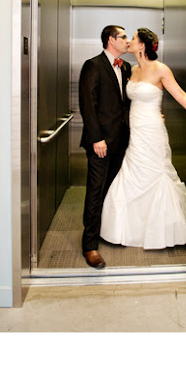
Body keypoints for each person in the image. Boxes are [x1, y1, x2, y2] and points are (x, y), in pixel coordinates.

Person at [100, 27, 186, 250]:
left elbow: (181, 97)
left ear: (142, 45)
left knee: (155, 174)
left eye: (132, 38)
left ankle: (162, 232)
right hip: (135, 134)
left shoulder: (161, 69)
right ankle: (130, 231)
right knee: (131, 175)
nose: (128, 41)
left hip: (152, 132)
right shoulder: (131, 70)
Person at [78, 25, 132, 269]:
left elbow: (126, 104)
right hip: (100, 142)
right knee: (96, 192)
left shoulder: (126, 67)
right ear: (111, 40)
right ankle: (90, 245)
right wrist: (96, 138)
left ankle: (107, 230)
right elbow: (87, 104)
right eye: (123, 37)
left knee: (112, 190)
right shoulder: (93, 65)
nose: (127, 41)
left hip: (122, 141)